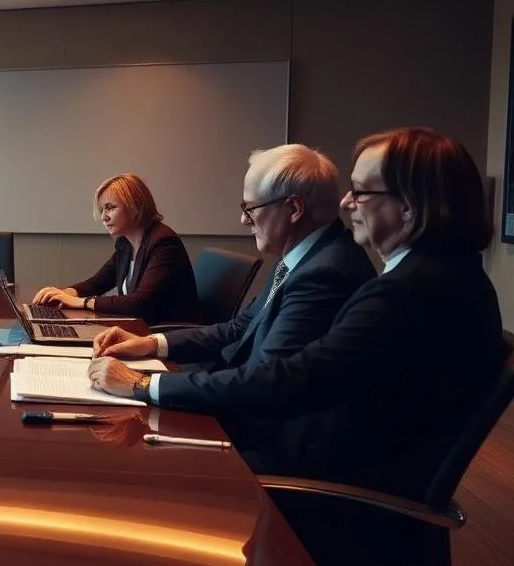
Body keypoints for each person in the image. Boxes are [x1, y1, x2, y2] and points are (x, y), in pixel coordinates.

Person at [88, 127, 507, 500]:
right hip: (305, 453)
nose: (347, 201)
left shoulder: (400, 291)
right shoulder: (430, 276)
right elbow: (251, 339)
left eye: (361, 192)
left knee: (125, 480)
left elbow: (278, 384)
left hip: (310, 486)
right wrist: (150, 349)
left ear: (410, 206)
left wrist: (144, 383)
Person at [89, 145, 375, 426]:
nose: (243, 219)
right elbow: (238, 328)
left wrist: (141, 383)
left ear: (294, 208)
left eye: (250, 208)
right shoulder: (302, 255)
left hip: (262, 437)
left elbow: (264, 383)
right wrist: (149, 344)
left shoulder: (325, 273)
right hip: (240, 401)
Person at [31, 173, 200, 324]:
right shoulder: (125, 243)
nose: (104, 217)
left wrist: (82, 302)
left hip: (165, 337)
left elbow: (139, 303)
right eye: (102, 209)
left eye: (110, 208)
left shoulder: (164, 243)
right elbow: (99, 282)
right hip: (138, 328)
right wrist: (67, 293)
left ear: (135, 207)